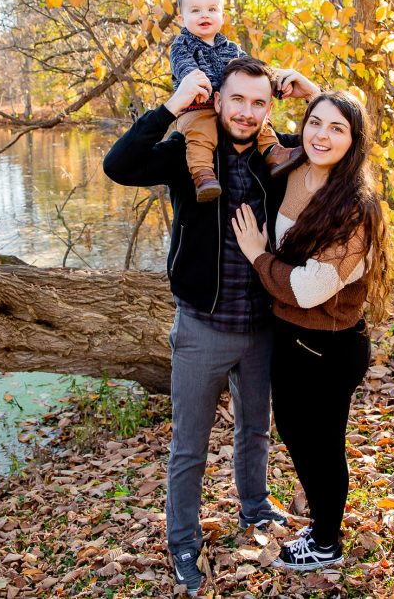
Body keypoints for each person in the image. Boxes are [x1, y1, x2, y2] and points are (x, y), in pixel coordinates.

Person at [102, 56, 320, 595]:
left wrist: (316, 96)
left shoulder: (280, 157)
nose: (246, 112)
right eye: (237, 100)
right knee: (190, 445)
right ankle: (182, 540)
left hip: (264, 325)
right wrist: (171, 106)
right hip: (202, 325)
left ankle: (255, 507)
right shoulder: (187, 151)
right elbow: (119, 166)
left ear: (270, 108)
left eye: (258, 102)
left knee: (255, 429)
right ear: (217, 100)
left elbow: (340, 141)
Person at [231, 91, 390, 571]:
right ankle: (324, 528)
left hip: (328, 346)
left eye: (337, 128)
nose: (322, 135)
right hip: (293, 339)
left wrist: (258, 255)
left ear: (354, 140)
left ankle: (325, 543)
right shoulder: (296, 164)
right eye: (314, 123)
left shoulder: (353, 208)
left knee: (319, 447)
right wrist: (301, 84)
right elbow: (260, 135)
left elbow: (307, 290)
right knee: (301, 439)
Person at [169, 0, 305, 202]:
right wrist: (197, 82)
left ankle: (274, 153)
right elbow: (184, 67)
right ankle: (203, 175)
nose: (205, 15)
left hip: (228, 107)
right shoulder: (182, 45)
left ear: (222, 16)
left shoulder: (232, 48)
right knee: (201, 135)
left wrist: (278, 86)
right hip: (197, 107)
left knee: (262, 124)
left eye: (212, 9)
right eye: (196, 11)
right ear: (182, 19)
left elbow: (256, 73)